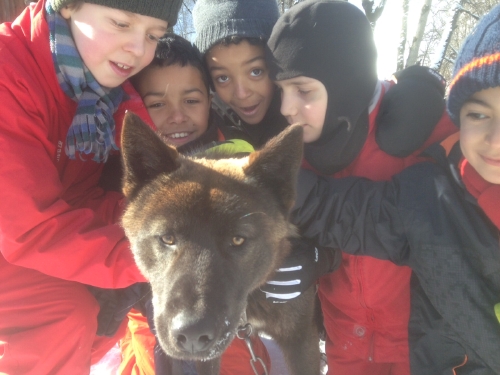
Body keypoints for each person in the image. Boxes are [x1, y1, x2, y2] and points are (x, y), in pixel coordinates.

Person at [290, 4, 500, 374]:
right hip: (357, 352)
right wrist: (256, 181)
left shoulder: (425, 143)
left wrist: (424, 81)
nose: (495, 141)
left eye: (304, 89)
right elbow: (344, 212)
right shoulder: (435, 199)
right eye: (478, 114)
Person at [261, 1, 458, 374]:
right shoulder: (295, 148)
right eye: (281, 89)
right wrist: (304, 252)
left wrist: (428, 84)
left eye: (303, 89)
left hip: (422, 351)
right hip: (346, 346)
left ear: (344, 82)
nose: (287, 107)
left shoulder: (420, 131)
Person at [0, 0, 182, 373]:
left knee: (100, 309)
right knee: (64, 318)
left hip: (24, 243)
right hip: (18, 235)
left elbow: (98, 198)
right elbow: (27, 225)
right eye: (120, 23)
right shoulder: (9, 74)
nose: (137, 49)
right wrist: (158, 257)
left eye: (153, 35)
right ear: (68, 6)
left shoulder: (100, 96)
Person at [115, 34, 271, 375]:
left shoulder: (241, 163)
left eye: (191, 100)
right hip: (148, 323)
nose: (176, 116)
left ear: (210, 100)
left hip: (230, 322)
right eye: (157, 104)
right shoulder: (131, 169)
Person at [192, 0, 289, 149]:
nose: (242, 94)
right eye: (223, 78)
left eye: (255, 71)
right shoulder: (204, 132)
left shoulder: (308, 118)